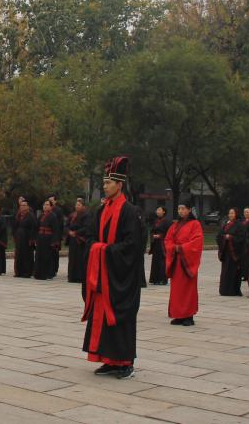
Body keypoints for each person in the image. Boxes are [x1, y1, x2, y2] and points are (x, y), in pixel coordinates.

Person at [81, 156, 145, 380]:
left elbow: (133, 246)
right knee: (102, 316)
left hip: (121, 276)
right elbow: (90, 237)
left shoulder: (131, 212)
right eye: (104, 183)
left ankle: (125, 362)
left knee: (120, 316)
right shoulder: (100, 211)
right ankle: (108, 359)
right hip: (103, 274)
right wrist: (98, 249)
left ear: (119, 184)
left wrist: (104, 250)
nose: (105, 187)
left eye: (108, 183)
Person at [165, 197, 203, 326]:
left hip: (187, 262)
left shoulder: (195, 224)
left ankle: (188, 316)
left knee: (188, 290)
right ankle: (178, 315)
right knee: (176, 290)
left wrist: (180, 248)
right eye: (179, 209)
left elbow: (197, 242)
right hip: (176, 262)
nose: (180, 211)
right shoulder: (175, 225)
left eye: (183, 208)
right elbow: (168, 240)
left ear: (189, 210)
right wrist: (173, 247)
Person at [216, 208, 244, 296]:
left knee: (233, 272)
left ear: (236, 214)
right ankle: (224, 290)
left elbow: (241, 238)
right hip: (226, 252)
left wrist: (231, 238)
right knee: (225, 272)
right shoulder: (225, 224)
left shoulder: (239, 225)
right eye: (229, 213)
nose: (230, 215)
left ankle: (233, 290)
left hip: (234, 253)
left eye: (232, 213)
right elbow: (219, 236)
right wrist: (224, 237)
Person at [34, 200, 62, 280]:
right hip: (40, 238)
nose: (45, 206)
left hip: (48, 239)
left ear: (51, 206)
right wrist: (36, 238)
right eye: (44, 205)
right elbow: (36, 227)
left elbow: (56, 230)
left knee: (48, 257)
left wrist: (54, 242)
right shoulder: (41, 215)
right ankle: (39, 274)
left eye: (47, 205)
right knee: (39, 255)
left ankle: (49, 274)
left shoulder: (53, 216)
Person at [12, 198, 37, 278]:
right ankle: (19, 272)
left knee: (27, 255)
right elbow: (14, 226)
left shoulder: (31, 216)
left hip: (27, 239)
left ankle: (27, 272)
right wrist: (14, 235)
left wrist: (32, 239)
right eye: (21, 205)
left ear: (27, 207)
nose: (22, 207)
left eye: (24, 205)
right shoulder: (18, 215)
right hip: (19, 238)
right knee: (19, 255)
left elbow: (34, 228)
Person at [66, 198, 90, 283]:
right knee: (72, 258)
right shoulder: (72, 215)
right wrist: (69, 231)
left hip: (80, 239)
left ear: (83, 206)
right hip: (72, 238)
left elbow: (86, 227)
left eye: (79, 205)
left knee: (79, 258)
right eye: (76, 205)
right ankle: (71, 277)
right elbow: (66, 225)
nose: (77, 206)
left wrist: (76, 233)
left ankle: (79, 277)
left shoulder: (86, 215)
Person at [147, 206, 170, 285]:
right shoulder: (155, 221)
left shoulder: (167, 222)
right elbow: (152, 230)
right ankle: (155, 279)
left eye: (159, 210)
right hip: (156, 244)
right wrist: (153, 235)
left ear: (164, 212)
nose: (157, 211)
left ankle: (163, 280)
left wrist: (160, 236)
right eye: (157, 210)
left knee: (162, 261)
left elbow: (169, 233)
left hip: (162, 244)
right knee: (155, 261)